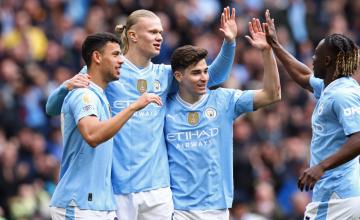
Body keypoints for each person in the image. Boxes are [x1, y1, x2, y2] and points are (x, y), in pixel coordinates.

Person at [46, 7, 238, 220]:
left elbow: (213, 77)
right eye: (153, 32)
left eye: (161, 33)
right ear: (133, 35)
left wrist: (229, 43)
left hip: (159, 189)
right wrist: (65, 87)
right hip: (118, 188)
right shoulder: (109, 70)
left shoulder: (164, 75)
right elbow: (53, 108)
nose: (159, 37)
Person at [165, 17, 281, 220]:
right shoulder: (163, 108)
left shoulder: (224, 100)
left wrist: (266, 52)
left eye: (204, 71)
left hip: (216, 208)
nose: (203, 78)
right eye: (195, 73)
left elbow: (272, 94)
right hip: (177, 208)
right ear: (178, 76)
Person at [263, 10, 360, 219]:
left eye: (317, 55)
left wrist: (320, 167)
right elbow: (303, 75)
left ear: (328, 61)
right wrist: (275, 45)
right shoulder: (330, 86)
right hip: (351, 196)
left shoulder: (342, 94)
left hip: (336, 197)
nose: (312, 59)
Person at [49, 32, 161, 220]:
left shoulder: (100, 95)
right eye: (116, 54)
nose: (122, 61)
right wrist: (133, 107)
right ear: (97, 57)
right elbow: (92, 135)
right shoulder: (84, 94)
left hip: (101, 206)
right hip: (78, 205)